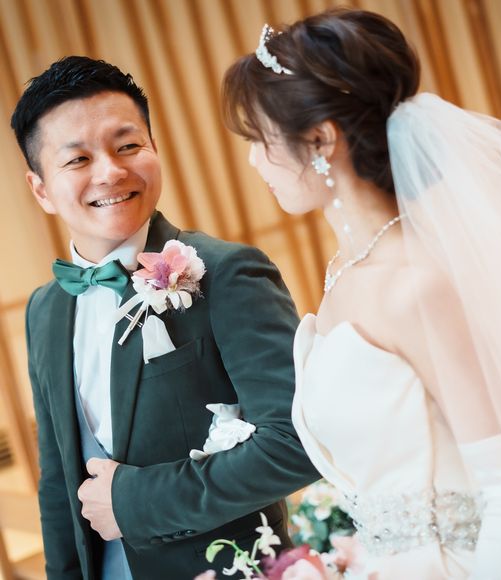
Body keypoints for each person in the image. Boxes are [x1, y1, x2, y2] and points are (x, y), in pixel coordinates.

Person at [222, 8, 501, 579]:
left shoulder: (417, 285)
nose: (252, 159)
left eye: (261, 139)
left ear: (321, 140)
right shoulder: (344, 271)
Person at [11, 56, 319, 580]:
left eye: (128, 146)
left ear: (154, 148)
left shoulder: (227, 273)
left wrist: (134, 502)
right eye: (78, 159)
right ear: (40, 188)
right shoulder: (45, 310)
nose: (110, 172)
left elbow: (297, 443)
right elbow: (58, 484)